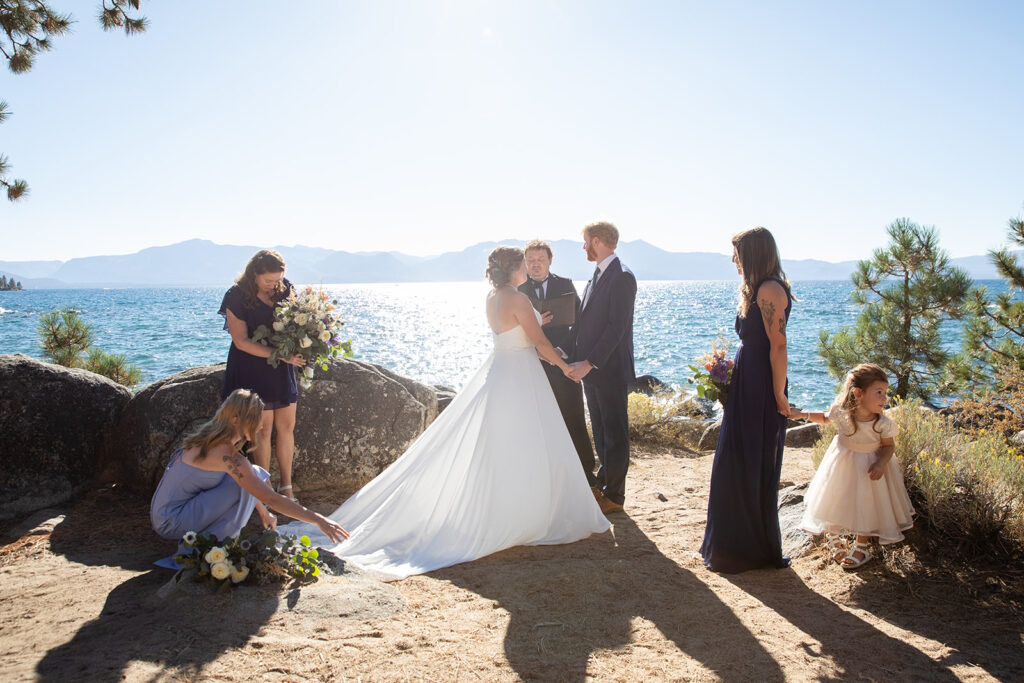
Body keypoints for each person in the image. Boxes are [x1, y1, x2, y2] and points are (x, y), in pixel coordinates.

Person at [278, 246, 610, 580]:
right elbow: (538, 344)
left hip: (501, 373)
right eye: (523, 263)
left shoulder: (493, 297)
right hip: (522, 376)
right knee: (528, 443)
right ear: (512, 268)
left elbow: (515, 336)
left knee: (503, 445)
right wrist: (565, 366)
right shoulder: (519, 300)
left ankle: (510, 509)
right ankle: (525, 514)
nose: (528, 267)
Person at [150, 389, 348, 569]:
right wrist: (318, 520)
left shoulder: (211, 438)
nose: (260, 425)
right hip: (170, 520)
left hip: (167, 513)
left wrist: (264, 513)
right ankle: (210, 549)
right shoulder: (227, 456)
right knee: (250, 478)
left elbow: (254, 486)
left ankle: (210, 544)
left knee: (253, 473)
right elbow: (270, 497)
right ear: (235, 419)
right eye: (254, 419)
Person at [700, 226, 793, 573]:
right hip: (747, 380)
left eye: (738, 253)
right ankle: (731, 546)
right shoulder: (754, 290)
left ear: (753, 254)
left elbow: (778, 345)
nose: (733, 260)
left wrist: (778, 393)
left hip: (762, 384)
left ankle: (750, 551)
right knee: (735, 460)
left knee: (752, 461)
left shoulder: (770, 289)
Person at [795, 364, 915, 569]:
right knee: (835, 496)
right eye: (879, 393)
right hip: (842, 461)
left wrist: (880, 463)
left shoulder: (882, 423)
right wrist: (800, 414)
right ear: (858, 393)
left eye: (885, 393)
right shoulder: (841, 412)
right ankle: (834, 537)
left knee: (867, 504)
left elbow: (888, 446)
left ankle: (861, 546)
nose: (884, 398)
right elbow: (824, 418)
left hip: (870, 467)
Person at [558, 222, 637, 514]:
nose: (583, 248)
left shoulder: (622, 277)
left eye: (585, 242)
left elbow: (617, 329)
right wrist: (563, 350)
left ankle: (615, 497)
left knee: (615, 433)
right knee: (602, 432)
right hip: (592, 373)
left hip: (609, 370)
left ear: (598, 241)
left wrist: (589, 363)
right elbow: (582, 325)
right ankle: (604, 487)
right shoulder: (596, 277)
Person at [219, 249, 306, 503]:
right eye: (268, 280)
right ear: (254, 274)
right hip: (252, 366)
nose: (274, 284)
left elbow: (296, 325)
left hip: (282, 365)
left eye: (278, 279)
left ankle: (287, 487)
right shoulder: (236, 296)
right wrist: (279, 354)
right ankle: (265, 490)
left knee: (287, 427)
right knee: (263, 430)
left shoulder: (285, 289)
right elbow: (241, 341)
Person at [518, 239, 598, 487]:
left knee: (573, 415)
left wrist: (563, 350)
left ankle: (586, 472)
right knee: (537, 420)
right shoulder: (518, 290)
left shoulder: (565, 284)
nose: (535, 265)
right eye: (530, 260)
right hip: (532, 363)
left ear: (550, 261)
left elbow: (579, 323)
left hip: (564, 360)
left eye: (540, 260)